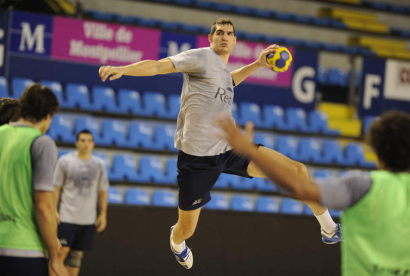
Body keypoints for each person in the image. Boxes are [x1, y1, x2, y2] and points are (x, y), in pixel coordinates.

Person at [98, 18, 340, 269]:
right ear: (210, 38)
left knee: (298, 171)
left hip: (230, 149)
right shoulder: (201, 57)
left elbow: (229, 80)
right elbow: (159, 66)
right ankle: (176, 240)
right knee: (187, 230)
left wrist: (257, 63)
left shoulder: (222, 69)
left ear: (235, 41)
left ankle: (329, 229)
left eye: (229, 34)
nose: (224, 37)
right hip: (197, 160)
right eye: (219, 33)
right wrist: (124, 69)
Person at [218, 110, 410, 276]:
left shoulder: (361, 186)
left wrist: (251, 153)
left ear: (376, 150)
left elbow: (300, 187)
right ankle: (330, 230)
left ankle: (330, 229)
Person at [0, 84, 68, 276]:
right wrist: (55, 257)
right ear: (48, 115)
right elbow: (43, 206)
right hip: (23, 247)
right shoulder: (41, 142)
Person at [53, 129, 109, 276]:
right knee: (60, 253)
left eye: (89, 141)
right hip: (67, 217)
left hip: (87, 219)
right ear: (77, 143)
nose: (86, 144)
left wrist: (102, 214)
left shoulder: (99, 165)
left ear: (93, 144)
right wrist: (53, 209)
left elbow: (103, 190)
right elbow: (56, 187)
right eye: (83, 140)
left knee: (77, 256)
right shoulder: (65, 161)